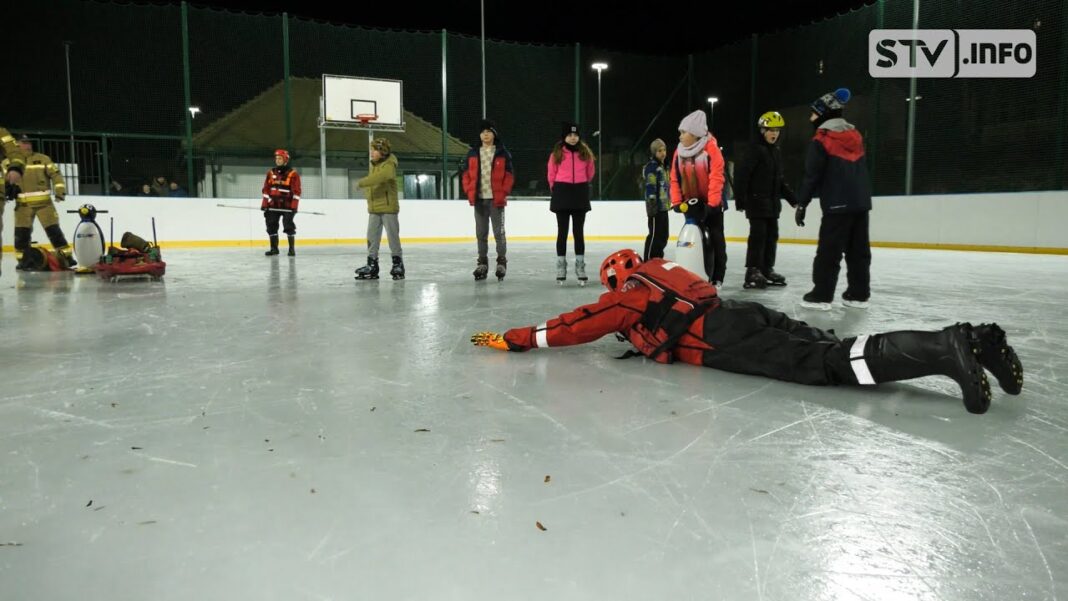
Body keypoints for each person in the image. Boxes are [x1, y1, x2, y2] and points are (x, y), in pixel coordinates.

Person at [471, 249, 1024, 415]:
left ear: (617, 276)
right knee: (832, 346)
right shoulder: (669, 271)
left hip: (722, 333)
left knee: (833, 365)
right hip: (740, 309)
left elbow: (584, 324)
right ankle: (977, 338)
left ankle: (945, 346)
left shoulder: (631, 291)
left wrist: (518, 338)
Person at [795, 88, 873, 311]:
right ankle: (858, 295)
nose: (811, 118)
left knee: (829, 251)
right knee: (858, 251)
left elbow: (812, 176)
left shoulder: (822, 139)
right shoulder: (856, 137)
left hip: (836, 205)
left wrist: (803, 203)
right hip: (860, 203)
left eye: (813, 113)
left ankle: (821, 295)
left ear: (823, 114)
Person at [733, 111, 798, 289]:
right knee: (758, 237)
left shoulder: (775, 152)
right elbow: (742, 175)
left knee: (771, 237)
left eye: (777, 130)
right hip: (756, 202)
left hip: (772, 204)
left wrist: (793, 199)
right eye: (770, 130)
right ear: (762, 130)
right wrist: (741, 199)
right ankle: (752, 271)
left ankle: (766, 269)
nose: (774, 133)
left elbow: (779, 181)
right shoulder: (755, 150)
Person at [669, 110, 727, 286]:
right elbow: (674, 178)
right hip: (691, 203)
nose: (679, 136)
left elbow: (717, 177)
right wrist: (678, 202)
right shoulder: (678, 153)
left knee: (716, 238)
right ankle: (692, 274)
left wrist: (712, 205)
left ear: (694, 134)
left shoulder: (711, 149)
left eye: (683, 132)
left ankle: (717, 276)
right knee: (693, 239)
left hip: (711, 203)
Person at [0, 134, 74, 268]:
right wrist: (6, 189)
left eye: (29, 142)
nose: (28, 145)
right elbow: (3, 181)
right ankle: (23, 261)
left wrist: (60, 192)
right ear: (16, 145)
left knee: (54, 232)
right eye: (24, 143)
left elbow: (56, 175)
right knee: (21, 236)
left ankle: (67, 257)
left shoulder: (43, 159)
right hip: (23, 206)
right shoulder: (7, 163)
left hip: (44, 205)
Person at [461, 119, 514, 281]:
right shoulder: (472, 153)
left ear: (494, 134)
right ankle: (482, 263)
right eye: (483, 132)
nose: (486, 134)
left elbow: (509, 176)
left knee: (499, 233)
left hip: (496, 200)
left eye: (489, 131)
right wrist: (469, 190)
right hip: (479, 199)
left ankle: (501, 262)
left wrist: (503, 191)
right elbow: (466, 175)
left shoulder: (502, 153)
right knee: (481, 233)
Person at [547, 122, 595, 284]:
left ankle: (580, 265)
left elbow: (590, 172)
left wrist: (580, 184)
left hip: (579, 193)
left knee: (578, 232)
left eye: (575, 135)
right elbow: (551, 174)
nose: (573, 138)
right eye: (569, 135)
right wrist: (558, 189)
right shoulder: (557, 154)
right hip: (562, 193)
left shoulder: (585, 153)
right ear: (564, 137)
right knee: (562, 231)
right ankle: (561, 265)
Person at [354, 138, 404, 280]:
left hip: (388, 207)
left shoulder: (390, 164)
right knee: (372, 238)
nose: (371, 152)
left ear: (382, 152)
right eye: (371, 149)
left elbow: (383, 176)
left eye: (374, 150)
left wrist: (363, 182)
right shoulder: (375, 165)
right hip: (374, 207)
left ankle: (397, 264)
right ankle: (372, 265)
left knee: (392, 237)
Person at [260, 149, 302, 256]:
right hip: (273, 205)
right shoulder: (270, 173)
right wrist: (264, 204)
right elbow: (266, 190)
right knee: (271, 225)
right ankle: (274, 249)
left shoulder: (293, 174)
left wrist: (294, 206)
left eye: (280, 158)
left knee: (288, 225)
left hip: (287, 206)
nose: (277, 160)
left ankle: (291, 249)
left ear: (285, 160)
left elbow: (297, 192)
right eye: (276, 158)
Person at [642, 138, 671, 260]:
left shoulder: (664, 167)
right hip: (655, 208)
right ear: (654, 152)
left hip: (664, 207)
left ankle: (658, 259)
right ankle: (648, 260)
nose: (663, 153)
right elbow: (650, 185)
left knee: (664, 235)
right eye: (659, 150)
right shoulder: (652, 167)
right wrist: (652, 202)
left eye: (664, 150)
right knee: (654, 235)